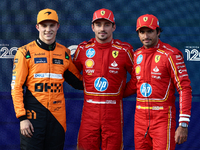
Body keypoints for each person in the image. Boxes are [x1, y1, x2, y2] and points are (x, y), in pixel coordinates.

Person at [11, 8, 83, 150]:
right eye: (44, 25)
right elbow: (16, 87)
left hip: (57, 120)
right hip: (32, 119)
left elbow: (79, 82)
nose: (48, 30)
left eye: (52, 25)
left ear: (58, 26)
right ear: (37, 27)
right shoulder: (25, 52)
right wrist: (22, 118)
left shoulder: (64, 53)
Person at [124, 14, 192, 150]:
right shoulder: (137, 55)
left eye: (150, 31)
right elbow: (134, 85)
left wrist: (183, 124)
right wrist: (111, 93)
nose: (145, 36)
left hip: (163, 119)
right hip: (140, 120)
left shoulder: (170, 54)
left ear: (158, 32)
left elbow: (184, 88)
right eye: (142, 32)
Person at [73, 8, 134, 150]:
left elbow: (139, 77)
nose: (102, 28)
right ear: (92, 27)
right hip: (89, 112)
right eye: (98, 24)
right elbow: (72, 72)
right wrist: (86, 85)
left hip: (113, 112)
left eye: (106, 24)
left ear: (114, 27)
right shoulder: (83, 49)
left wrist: (121, 93)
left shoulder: (124, 50)